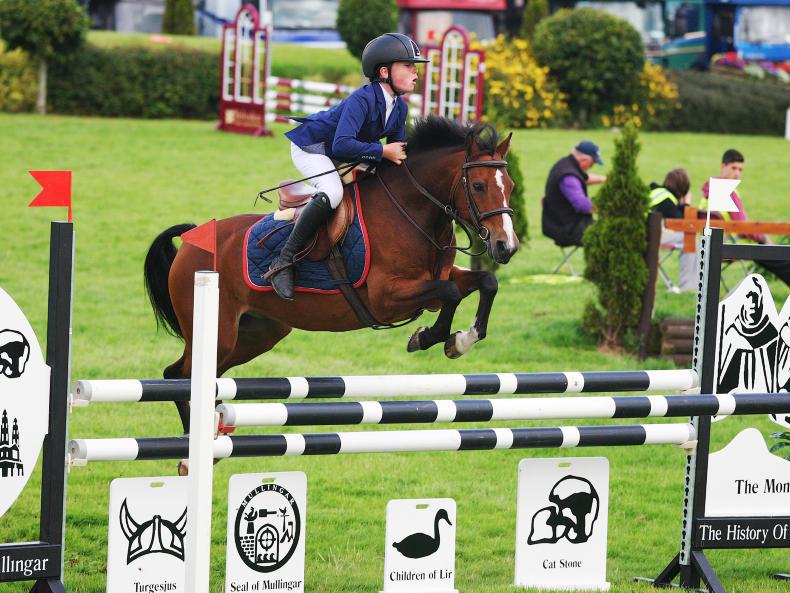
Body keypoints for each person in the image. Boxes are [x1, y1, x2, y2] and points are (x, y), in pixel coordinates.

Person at [266, 33, 430, 301]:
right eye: (408, 66)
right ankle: (283, 261)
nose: (416, 73)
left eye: (415, 67)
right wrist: (381, 151)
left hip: (344, 150)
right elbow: (342, 145)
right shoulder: (362, 99)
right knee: (333, 192)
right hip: (313, 146)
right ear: (385, 72)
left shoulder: (399, 107)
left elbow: (397, 153)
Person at [701, 149, 790, 288]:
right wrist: (764, 239)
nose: (737, 173)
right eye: (733, 168)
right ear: (722, 166)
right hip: (738, 246)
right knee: (783, 257)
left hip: (713, 245)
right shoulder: (727, 191)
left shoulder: (710, 189)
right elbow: (743, 226)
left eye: (740, 169)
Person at [541, 141, 606, 248]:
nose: (592, 166)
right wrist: (609, 208)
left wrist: (605, 179)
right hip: (568, 229)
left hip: (557, 223)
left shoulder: (565, 164)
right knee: (611, 235)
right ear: (584, 160)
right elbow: (583, 206)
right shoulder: (569, 177)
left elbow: (583, 178)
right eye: (593, 162)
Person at [649, 168, 697, 291]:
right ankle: (687, 286)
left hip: (642, 231)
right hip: (649, 234)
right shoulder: (667, 200)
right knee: (689, 237)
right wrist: (686, 203)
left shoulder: (656, 191)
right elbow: (682, 223)